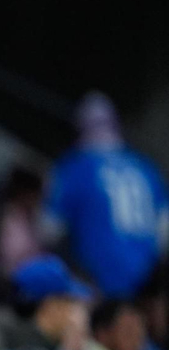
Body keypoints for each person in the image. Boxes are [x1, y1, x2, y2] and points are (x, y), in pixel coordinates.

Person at [46, 92, 168, 300]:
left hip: (97, 283)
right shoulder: (146, 168)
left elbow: (48, 229)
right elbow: (164, 232)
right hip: (144, 283)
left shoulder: (75, 165)